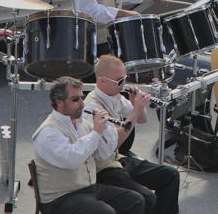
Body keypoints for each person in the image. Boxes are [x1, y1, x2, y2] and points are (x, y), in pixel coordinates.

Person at [84, 55, 179, 214]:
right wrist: (135, 111)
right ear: (102, 81)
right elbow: (114, 143)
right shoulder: (92, 107)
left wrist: (137, 105)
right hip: (101, 168)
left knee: (170, 175)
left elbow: (142, 120)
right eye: (119, 81)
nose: (124, 85)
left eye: (125, 79)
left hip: (117, 160)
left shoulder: (116, 96)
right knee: (146, 197)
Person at [32, 77, 142, 214]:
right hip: (60, 198)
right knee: (104, 212)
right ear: (59, 102)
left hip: (87, 190)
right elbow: (71, 159)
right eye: (75, 99)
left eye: (81, 98)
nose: (82, 104)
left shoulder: (81, 123)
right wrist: (96, 132)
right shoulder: (48, 132)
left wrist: (107, 127)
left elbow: (103, 153)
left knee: (134, 200)